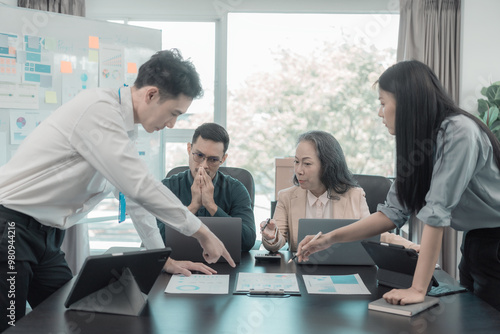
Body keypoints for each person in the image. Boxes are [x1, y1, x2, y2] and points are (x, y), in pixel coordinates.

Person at [0, 49, 234, 331]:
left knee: (71, 315)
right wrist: (202, 232)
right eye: (173, 113)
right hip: (11, 229)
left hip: (45, 238)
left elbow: (133, 200)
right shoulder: (99, 110)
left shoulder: (124, 129)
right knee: (10, 324)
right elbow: (140, 185)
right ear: (150, 95)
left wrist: (162, 258)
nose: (171, 124)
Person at [297, 60, 500, 311]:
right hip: (475, 241)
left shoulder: (459, 132)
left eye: (383, 103)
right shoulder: (419, 146)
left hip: (495, 240)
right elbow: (391, 214)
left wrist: (417, 289)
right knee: (472, 318)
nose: (379, 113)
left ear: (407, 102)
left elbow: (436, 214)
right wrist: (329, 238)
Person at [261, 130, 419, 253]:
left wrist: (413, 247)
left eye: (307, 163)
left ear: (327, 165)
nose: (299, 170)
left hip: (344, 273)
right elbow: (276, 243)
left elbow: (374, 235)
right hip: (301, 270)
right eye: (296, 162)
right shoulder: (287, 197)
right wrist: (271, 236)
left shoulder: (354, 196)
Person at [156, 122, 256, 251]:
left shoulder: (236, 189)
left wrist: (211, 206)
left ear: (223, 159)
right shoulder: (168, 187)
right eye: (199, 156)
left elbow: (248, 241)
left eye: (213, 160)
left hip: (224, 264)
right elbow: (155, 239)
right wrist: (192, 207)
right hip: (178, 264)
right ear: (189, 149)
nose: (203, 165)